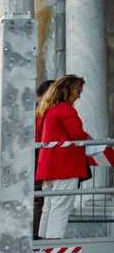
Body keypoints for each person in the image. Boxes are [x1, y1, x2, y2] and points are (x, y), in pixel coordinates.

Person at [35, 75, 90, 240]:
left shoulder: (45, 110)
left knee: (49, 206)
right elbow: (77, 135)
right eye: (78, 90)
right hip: (65, 166)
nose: (79, 95)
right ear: (67, 90)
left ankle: (44, 244)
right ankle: (54, 245)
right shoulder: (66, 109)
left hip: (48, 166)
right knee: (61, 206)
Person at [33, 79, 54, 238]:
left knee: (39, 199)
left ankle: (37, 237)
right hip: (36, 161)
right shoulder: (41, 110)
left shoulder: (34, 108)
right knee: (39, 199)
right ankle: (36, 237)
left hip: (35, 160)